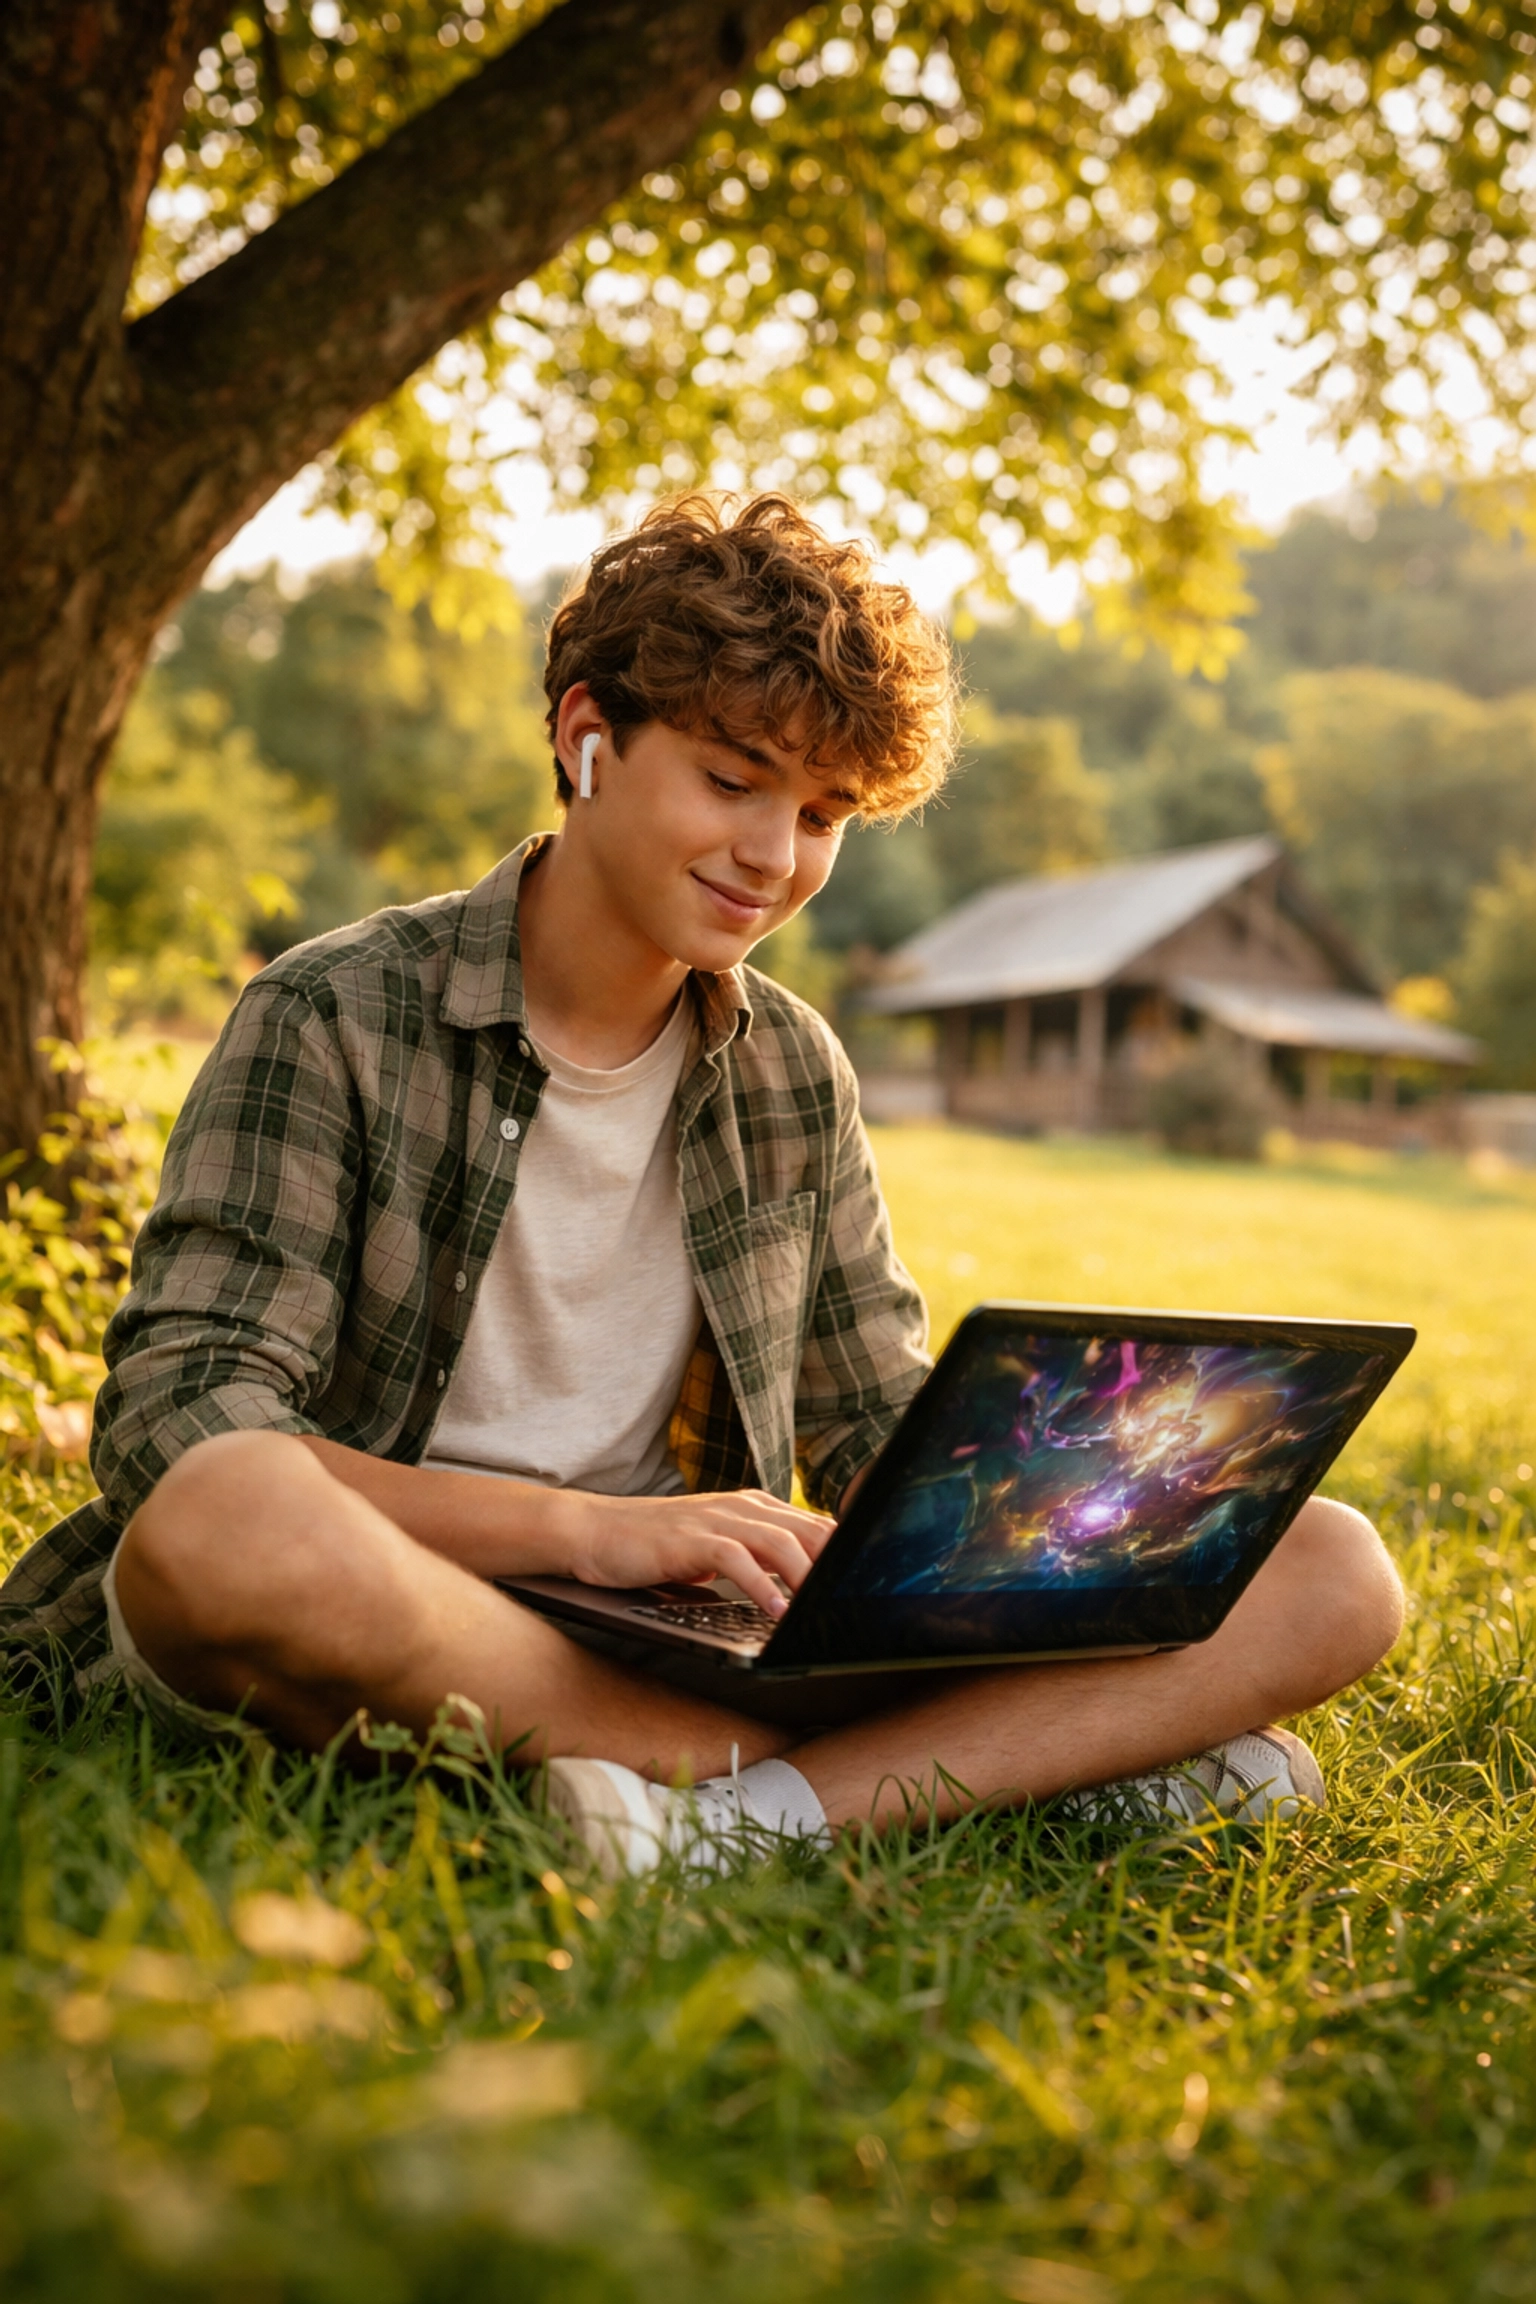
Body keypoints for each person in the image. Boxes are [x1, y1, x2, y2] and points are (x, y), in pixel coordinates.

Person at [1, 495, 1403, 1876]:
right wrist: (592, 1534)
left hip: (685, 1629)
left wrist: (1087, 1501)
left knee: (1331, 1565)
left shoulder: (791, 1065)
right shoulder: (332, 1013)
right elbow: (180, 1422)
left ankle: (734, 1821)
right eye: (733, 782)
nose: (772, 857)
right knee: (222, 1516)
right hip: (405, 1596)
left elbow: (875, 1436)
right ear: (586, 737)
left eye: (823, 813)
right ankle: (984, 1773)